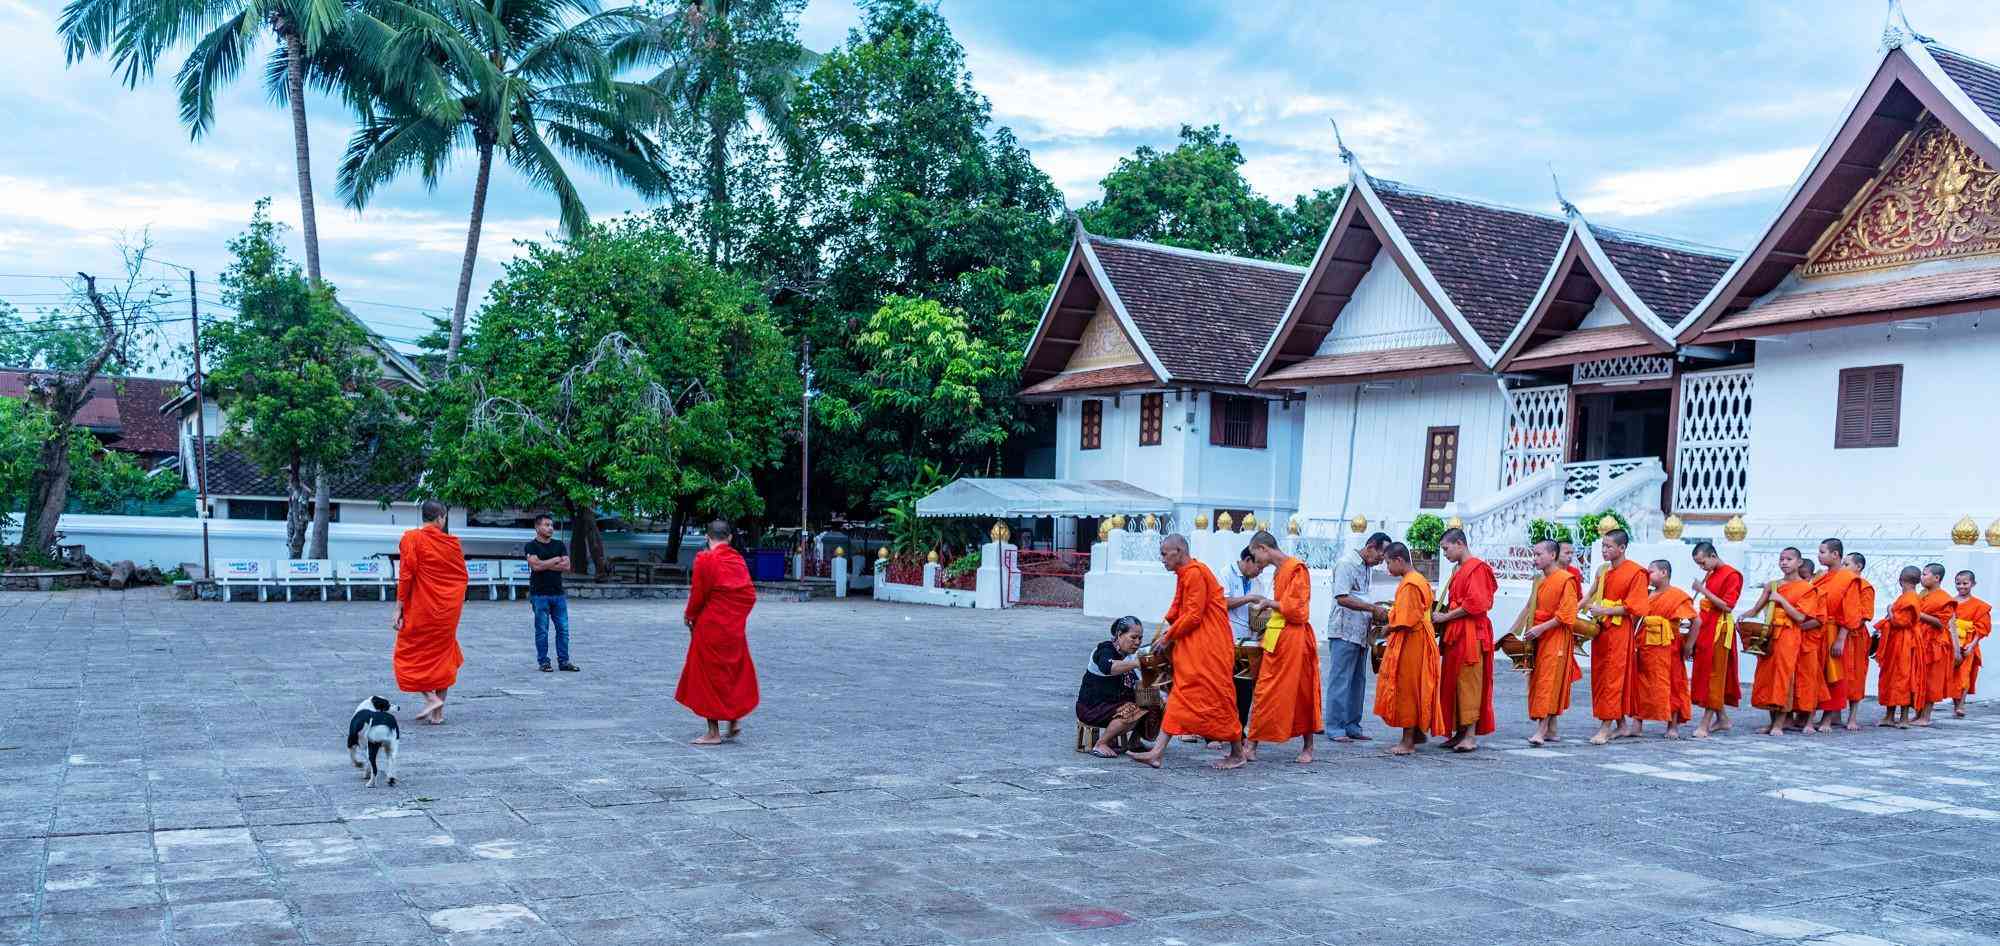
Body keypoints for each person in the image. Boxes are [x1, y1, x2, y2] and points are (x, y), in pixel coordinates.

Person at [1129, 534, 1244, 769]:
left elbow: (1193, 614)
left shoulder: (1194, 573)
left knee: (1218, 697)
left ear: (1179, 551)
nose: (1161, 559)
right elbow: (1178, 608)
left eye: (1164, 553)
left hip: (1209, 648)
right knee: (1180, 695)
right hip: (1195, 647)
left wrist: (1169, 636)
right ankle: (1157, 752)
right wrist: (1166, 631)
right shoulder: (1186, 573)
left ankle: (1238, 753)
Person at [677, 520, 760, 745]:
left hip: (710, 627)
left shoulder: (706, 559)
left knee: (707, 677)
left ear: (707, 537)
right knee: (732, 672)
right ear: (730, 538)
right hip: (733, 628)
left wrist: (690, 616)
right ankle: (733, 720)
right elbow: (749, 595)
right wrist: (735, 617)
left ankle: (713, 732)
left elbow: (698, 594)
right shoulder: (737, 560)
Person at [1245, 531, 1322, 763]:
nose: (1256, 562)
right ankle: (1251, 744)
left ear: (1262, 548)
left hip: (1295, 638)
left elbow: (1298, 609)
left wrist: (1268, 603)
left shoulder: (1296, 568)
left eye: (1254, 555)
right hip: (1277, 636)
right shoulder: (1280, 571)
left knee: (1302, 690)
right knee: (1264, 691)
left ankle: (1308, 747)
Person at [394, 500, 468, 725]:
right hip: (448, 610)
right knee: (443, 655)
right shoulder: (452, 544)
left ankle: (430, 698)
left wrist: (399, 607)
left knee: (408, 654)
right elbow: (461, 577)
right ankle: (438, 714)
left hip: (421, 609)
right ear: (440, 518)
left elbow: (406, 576)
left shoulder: (411, 539)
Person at [1374, 543, 1445, 756]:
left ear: (1399, 560)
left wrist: (1387, 627)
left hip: (1412, 640)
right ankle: (1417, 733)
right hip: (1418, 638)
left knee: (1407, 689)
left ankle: (1407, 742)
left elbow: (1406, 619)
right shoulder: (1417, 579)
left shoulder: (1411, 584)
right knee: (1415, 686)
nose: (1387, 568)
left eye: (1388, 563)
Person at [1743, 547, 1821, 736]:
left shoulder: (1806, 588)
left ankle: (1779, 723)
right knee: (1768, 677)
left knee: (1784, 677)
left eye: (1789, 559)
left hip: (1789, 635)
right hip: (1769, 635)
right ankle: (1772, 723)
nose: (1784, 562)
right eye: (1781, 559)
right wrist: (1741, 618)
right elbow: (1755, 609)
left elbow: (1800, 617)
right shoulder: (1773, 585)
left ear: (1799, 563)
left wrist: (1782, 601)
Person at [1434, 528, 1496, 753]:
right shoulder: (1457, 569)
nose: (1445, 554)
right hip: (1455, 633)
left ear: (1459, 543)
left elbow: (1475, 604)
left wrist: (1445, 617)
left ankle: (1470, 735)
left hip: (1471, 633)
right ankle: (1459, 731)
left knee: (1469, 682)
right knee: (1453, 682)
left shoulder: (1477, 568)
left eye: (1446, 548)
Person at [1585, 529, 1648, 745]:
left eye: (1609, 546)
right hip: (1602, 630)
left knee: (1613, 677)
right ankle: (1621, 725)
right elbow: (1591, 596)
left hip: (1619, 632)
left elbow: (1636, 607)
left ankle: (1605, 728)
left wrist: (1605, 611)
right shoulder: (1604, 572)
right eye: (1603, 546)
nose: (1604, 550)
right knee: (1602, 676)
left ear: (1622, 548)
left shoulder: (1636, 572)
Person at [1326, 532, 1390, 743]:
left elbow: (1362, 596)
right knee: (1340, 680)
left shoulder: (1366, 568)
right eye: (1381, 554)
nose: (1382, 559)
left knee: (1357, 682)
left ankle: (1352, 725)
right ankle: (1335, 726)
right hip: (1344, 630)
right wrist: (1372, 608)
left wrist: (1374, 612)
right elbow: (1342, 597)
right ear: (1371, 546)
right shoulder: (1346, 564)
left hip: (1361, 631)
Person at [1519, 539, 1580, 746]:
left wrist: (1541, 628)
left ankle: (1541, 730)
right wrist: (1514, 632)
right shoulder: (1540, 580)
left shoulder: (1566, 580)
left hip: (1555, 637)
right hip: (1538, 636)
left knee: (1548, 681)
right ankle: (1552, 728)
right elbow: (1529, 607)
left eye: (1538, 555)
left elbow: (1566, 614)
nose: (1534, 559)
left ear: (1552, 555)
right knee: (1539, 680)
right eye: (1533, 555)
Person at [1687, 542, 1743, 738]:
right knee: (1705, 673)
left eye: (1703, 563)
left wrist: (1703, 590)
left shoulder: (1732, 575)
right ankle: (1723, 719)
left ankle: (1705, 722)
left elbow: (1728, 606)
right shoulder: (1710, 573)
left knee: (1714, 674)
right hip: (1706, 627)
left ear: (1712, 555)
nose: (1701, 567)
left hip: (1719, 629)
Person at [1077, 616, 1154, 757]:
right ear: (1119, 635)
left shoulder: (1131, 654)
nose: (1137, 642)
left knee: (1151, 696)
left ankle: (1134, 742)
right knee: (1135, 710)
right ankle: (1101, 744)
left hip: (1115, 703)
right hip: (1094, 707)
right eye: (1133, 637)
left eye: (1140, 638)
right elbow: (1108, 667)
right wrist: (1137, 663)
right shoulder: (1104, 650)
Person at [1634, 560, 1694, 739]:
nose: (1648, 575)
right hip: (1645, 646)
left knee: (1673, 684)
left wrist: (1689, 645)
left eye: (1651, 572)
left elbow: (1695, 621)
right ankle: (1637, 724)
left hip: (1669, 647)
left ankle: (1672, 726)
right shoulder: (1647, 595)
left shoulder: (1677, 595)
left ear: (1664, 572)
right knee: (1642, 684)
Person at [1809, 539, 1864, 733]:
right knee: (1816, 674)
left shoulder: (1848, 578)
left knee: (1834, 675)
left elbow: (1852, 612)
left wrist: (1841, 637)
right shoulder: (1820, 577)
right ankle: (1810, 716)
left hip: (1835, 631)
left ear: (1835, 554)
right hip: (1816, 631)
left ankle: (1827, 719)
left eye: (1823, 552)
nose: (1819, 556)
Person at [1223, 547, 1274, 745]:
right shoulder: (1226, 573)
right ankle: (1215, 733)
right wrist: (1250, 598)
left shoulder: (1256, 581)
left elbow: (1259, 609)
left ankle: (1238, 732)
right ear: (1247, 559)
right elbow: (1223, 602)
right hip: (1228, 638)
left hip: (1248, 642)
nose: (1260, 572)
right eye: (1258, 567)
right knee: (1225, 689)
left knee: (1245, 690)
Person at [523, 513, 578, 673]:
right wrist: (555, 560)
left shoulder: (559, 544)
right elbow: (536, 567)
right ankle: (544, 662)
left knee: (563, 629)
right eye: (546, 525)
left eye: (551, 525)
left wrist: (544, 563)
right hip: (539, 594)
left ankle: (564, 661)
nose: (550, 528)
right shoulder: (531, 546)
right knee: (542, 630)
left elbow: (566, 566)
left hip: (558, 594)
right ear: (537, 527)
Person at [1876, 566, 1923, 728]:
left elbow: (1900, 622)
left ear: (1901, 580)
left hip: (1905, 643)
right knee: (1891, 678)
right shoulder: (1907, 597)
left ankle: (1903, 718)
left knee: (1904, 678)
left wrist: (1889, 610)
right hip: (1896, 643)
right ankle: (1889, 716)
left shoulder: (1910, 599)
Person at [1915, 563, 1955, 727]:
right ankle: (1917, 714)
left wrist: (1920, 615)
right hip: (1920, 640)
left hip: (1935, 644)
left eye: (1925, 574)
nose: (1922, 577)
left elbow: (1941, 623)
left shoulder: (1944, 598)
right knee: (1919, 678)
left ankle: (1926, 716)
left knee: (1931, 679)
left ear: (1936, 578)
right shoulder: (1922, 594)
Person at [1842, 552, 1875, 730]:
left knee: (1856, 676)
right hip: (1839, 633)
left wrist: (1848, 625)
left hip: (1856, 636)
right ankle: (1834, 715)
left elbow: (1864, 615)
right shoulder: (1841, 584)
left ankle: (1853, 717)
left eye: (1847, 565)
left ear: (1859, 567)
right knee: (1838, 674)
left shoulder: (1865, 587)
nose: (1843, 568)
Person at [1952, 570, 1990, 718]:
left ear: (1973, 584)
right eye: (1958, 583)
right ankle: (1956, 705)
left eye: (1965, 583)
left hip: (1968, 643)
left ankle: (1961, 704)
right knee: (1953, 675)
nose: (1961, 586)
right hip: (1953, 642)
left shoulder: (1979, 606)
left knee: (1964, 675)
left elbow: (1982, 627)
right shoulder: (1951, 602)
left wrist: (1972, 645)